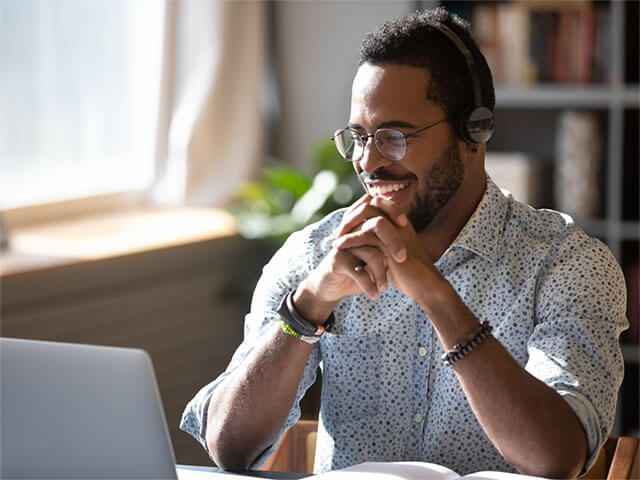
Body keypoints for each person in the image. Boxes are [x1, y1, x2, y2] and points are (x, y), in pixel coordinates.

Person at [180, 7, 628, 478]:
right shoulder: (315, 254)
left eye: (394, 136)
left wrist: (436, 295)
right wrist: (308, 306)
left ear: (474, 131)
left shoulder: (570, 264)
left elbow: (556, 458)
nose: (368, 162)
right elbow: (228, 448)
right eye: (358, 136)